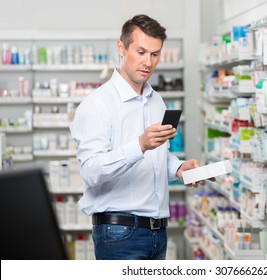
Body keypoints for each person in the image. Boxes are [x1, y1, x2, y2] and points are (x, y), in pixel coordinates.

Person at [70, 14, 214, 260]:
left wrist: (179, 168)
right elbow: (91, 171)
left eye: (155, 54)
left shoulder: (156, 100)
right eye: (141, 51)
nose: (148, 61)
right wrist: (140, 144)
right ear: (121, 48)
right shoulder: (97, 105)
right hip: (119, 234)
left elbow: (157, 156)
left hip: (157, 232)